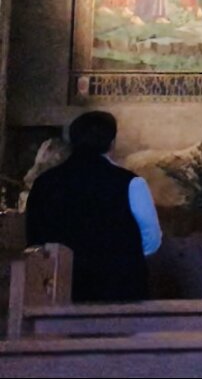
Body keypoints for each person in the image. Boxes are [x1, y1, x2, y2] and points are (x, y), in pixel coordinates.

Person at [25, 111, 163, 302]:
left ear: (72, 141)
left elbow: (34, 238)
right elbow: (152, 239)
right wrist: (125, 259)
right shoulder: (131, 183)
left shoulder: (44, 183)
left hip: (56, 292)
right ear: (112, 143)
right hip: (119, 293)